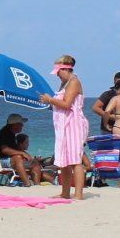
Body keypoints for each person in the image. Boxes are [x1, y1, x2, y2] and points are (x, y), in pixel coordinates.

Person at [38, 55, 89, 200]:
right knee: (64, 161)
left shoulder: (74, 82)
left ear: (66, 69)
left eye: (59, 72)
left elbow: (67, 104)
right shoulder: (64, 84)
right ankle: (65, 193)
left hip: (73, 124)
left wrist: (50, 100)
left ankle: (78, 194)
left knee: (75, 160)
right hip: (63, 126)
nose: (58, 76)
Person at [0, 113, 40, 185]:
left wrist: (29, 156)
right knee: (17, 158)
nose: (22, 125)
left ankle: (37, 185)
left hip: (8, 160)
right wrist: (22, 153)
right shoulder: (5, 133)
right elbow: (4, 150)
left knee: (34, 162)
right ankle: (27, 183)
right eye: (21, 124)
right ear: (15, 124)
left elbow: (16, 149)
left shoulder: (10, 133)